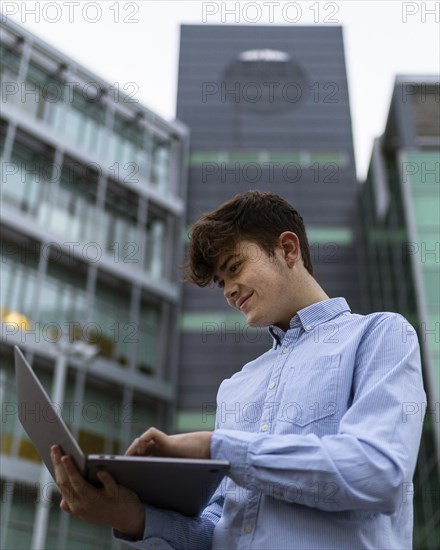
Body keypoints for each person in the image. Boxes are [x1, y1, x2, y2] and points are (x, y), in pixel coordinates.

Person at [51, 190, 426, 549]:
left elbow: (378, 472)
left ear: (288, 249)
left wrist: (215, 447)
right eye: (221, 282)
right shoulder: (236, 387)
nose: (229, 290)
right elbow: (220, 530)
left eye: (234, 267)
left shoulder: (380, 335)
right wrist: (131, 516)